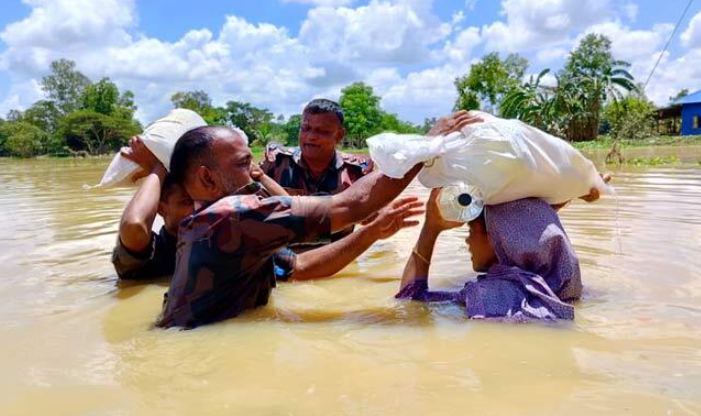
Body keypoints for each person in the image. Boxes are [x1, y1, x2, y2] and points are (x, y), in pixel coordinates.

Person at [157, 112, 481, 329]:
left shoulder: (219, 225)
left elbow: (300, 268)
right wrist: (426, 145)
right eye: (243, 165)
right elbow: (349, 204)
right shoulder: (233, 217)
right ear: (207, 179)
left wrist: (370, 233)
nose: (255, 173)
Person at [396, 189, 585, 321]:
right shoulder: (565, 289)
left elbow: (410, 304)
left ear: (498, 238)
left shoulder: (488, 295)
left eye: (471, 232)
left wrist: (430, 229)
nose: (467, 242)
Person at [261, 99, 373, 245]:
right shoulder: (276, 162)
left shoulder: (357, 171)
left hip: (336, 256)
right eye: (306, 128)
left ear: (339, 136)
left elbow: (375, 218)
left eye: (322, 131)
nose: (311, 136)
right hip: (284, 256)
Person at [111, 136, 194, 281]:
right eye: (187, 202)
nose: (198, 207)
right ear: (161, 209)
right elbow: (133, 225)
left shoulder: (215, 241)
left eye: (200, 199)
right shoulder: (154, 253)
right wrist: (158, 167)